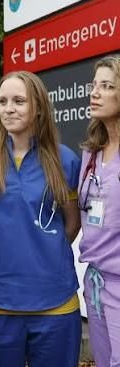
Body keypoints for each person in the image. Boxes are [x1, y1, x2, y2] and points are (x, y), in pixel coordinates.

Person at [0, 71, 82, 367]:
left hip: (56, 304)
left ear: (37, 107)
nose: (8, 108)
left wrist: (43, 251)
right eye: (2, 101)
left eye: (18, 101)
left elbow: (72, 223)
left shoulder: (65, 161)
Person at [78, 55, 120, 367]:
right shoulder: (90, 154)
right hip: (95, 283)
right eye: (94, 85)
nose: (95, 93)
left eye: (106, 86)